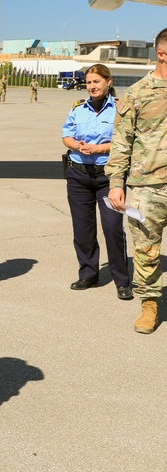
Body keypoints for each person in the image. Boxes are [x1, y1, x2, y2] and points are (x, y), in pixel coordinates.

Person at [107, 26, 167, 334]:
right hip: (147, 186)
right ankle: (149, 304)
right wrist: (116, 181)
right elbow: (121, 141)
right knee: (146, 248)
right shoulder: (137, 93)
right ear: (161, 54)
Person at [61, 64, 131, 301]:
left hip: (107, 176)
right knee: (82, 229)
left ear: (108, 82)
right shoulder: (78, 108)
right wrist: (76, 145)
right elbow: (66, 135)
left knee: (112, 228)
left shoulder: (120, 110)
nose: (91, 86)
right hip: (78, 174)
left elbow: (126, 141)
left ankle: (122, 280)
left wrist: (100, 148)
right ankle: (89, 274)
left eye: (96, 82)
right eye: (88, 82)